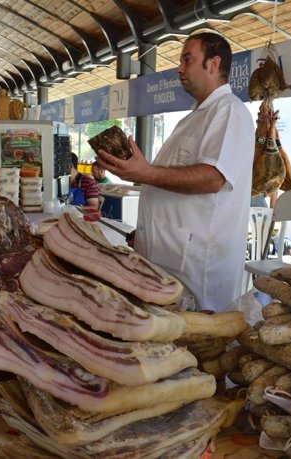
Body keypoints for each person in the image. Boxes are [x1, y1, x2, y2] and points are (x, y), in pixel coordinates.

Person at [95, 31, 254, 312]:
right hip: (171, 256)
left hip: (197, 267)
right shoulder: (195, 116)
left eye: (188, 60)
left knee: (195, 347)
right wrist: (137, 173)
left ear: (213, 64)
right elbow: (169, 180)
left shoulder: (229, 111)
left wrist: (144, 173)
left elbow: (213, 177)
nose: (179, 68)